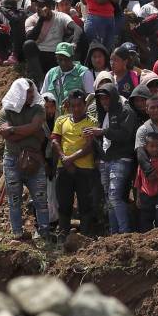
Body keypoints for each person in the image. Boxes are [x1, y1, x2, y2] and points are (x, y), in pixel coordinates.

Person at [0, 78, 51, 241]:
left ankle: (44, 234)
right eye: (27, 92)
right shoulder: (6, 111)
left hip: (35, 159)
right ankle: (17, 233)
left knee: (41, 198)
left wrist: (13, 130)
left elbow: (35, 128)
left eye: (31, 91)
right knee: (14, 198)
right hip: (12, 160)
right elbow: (4, 133)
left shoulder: (38, 109)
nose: (30, 95)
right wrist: (30, 131)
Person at [51, 89, 99, 237]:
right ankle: (63, 236)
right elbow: (54, 140)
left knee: (85, 204)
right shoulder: (61, 121)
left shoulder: (92, 122)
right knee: (64, 203)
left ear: (85, 104)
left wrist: (69, 159)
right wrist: (63, 157)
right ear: (69, 106)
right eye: (73, 106)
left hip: (85, 169)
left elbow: (90, 146)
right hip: (64, 168)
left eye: (79, 105)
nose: (76, 108)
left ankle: (85, 238)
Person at [91, 81, 137, 234]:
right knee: (109, 198)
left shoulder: (126, 110)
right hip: (106, 160)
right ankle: (113, 232)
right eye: (101, 99)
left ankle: (124, 232)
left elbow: (125, 135)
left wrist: (103, 132)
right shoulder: (103, 113)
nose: (104, 101)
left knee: (115, 195)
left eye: (106, 98)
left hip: (122, 158)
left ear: (113, 97)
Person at [26, 0, 82, 87]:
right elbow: (30, 38)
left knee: (80, 37)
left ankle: (75, 73)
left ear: (51, 6)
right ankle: (41, 81)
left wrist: (74, 43)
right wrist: (41, 19)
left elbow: (77, 29)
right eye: (39, 5)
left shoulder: (60, 16)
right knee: (28, 44)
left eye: (44, 5)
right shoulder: (31, 19)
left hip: (56, 55)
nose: (42, 8)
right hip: (40, 55)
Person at [134, 131, 158, 230]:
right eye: (151, 146)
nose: (155, 149)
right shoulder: (143, 164)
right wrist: (138, 197)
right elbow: (138, 181)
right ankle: (146, 242)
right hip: (145, 195)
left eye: (157, 146)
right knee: (145, 220)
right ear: (146, 147)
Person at [41, 41, 94, 109]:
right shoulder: (51, 73)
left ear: (72, 57)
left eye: (66, 59)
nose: (63, 62)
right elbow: (43, 96)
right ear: (56, 59)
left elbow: (91, 99)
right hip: (55, 117)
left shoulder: (84, 73)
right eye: (60, 59)